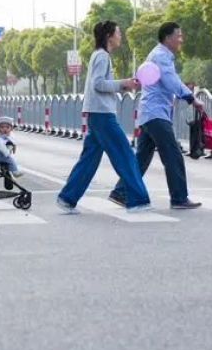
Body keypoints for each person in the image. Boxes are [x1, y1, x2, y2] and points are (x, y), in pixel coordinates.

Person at [57, 21, 152, 213]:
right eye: (118, 33)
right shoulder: (102, 56)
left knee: (89, 159)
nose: (120, 36)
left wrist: (123, 85)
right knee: (125, 155)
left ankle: (67, 198)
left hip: (97, 113)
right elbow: (98, 84)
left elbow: (101, 84)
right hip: (102, 115)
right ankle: (137, 200)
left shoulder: (99, 55)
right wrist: (123, 83)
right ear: (109, 36)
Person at [109, 22, 203, 210]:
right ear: (167, 38)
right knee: (173, 155)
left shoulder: (160, 55)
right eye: (178, 36)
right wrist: (191, 98)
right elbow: (171, 81)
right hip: (156, 114)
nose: (181, 40)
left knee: (141, 158)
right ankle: (179, 198)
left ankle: (121, 191)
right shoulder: (161, 56)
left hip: (150, 114)